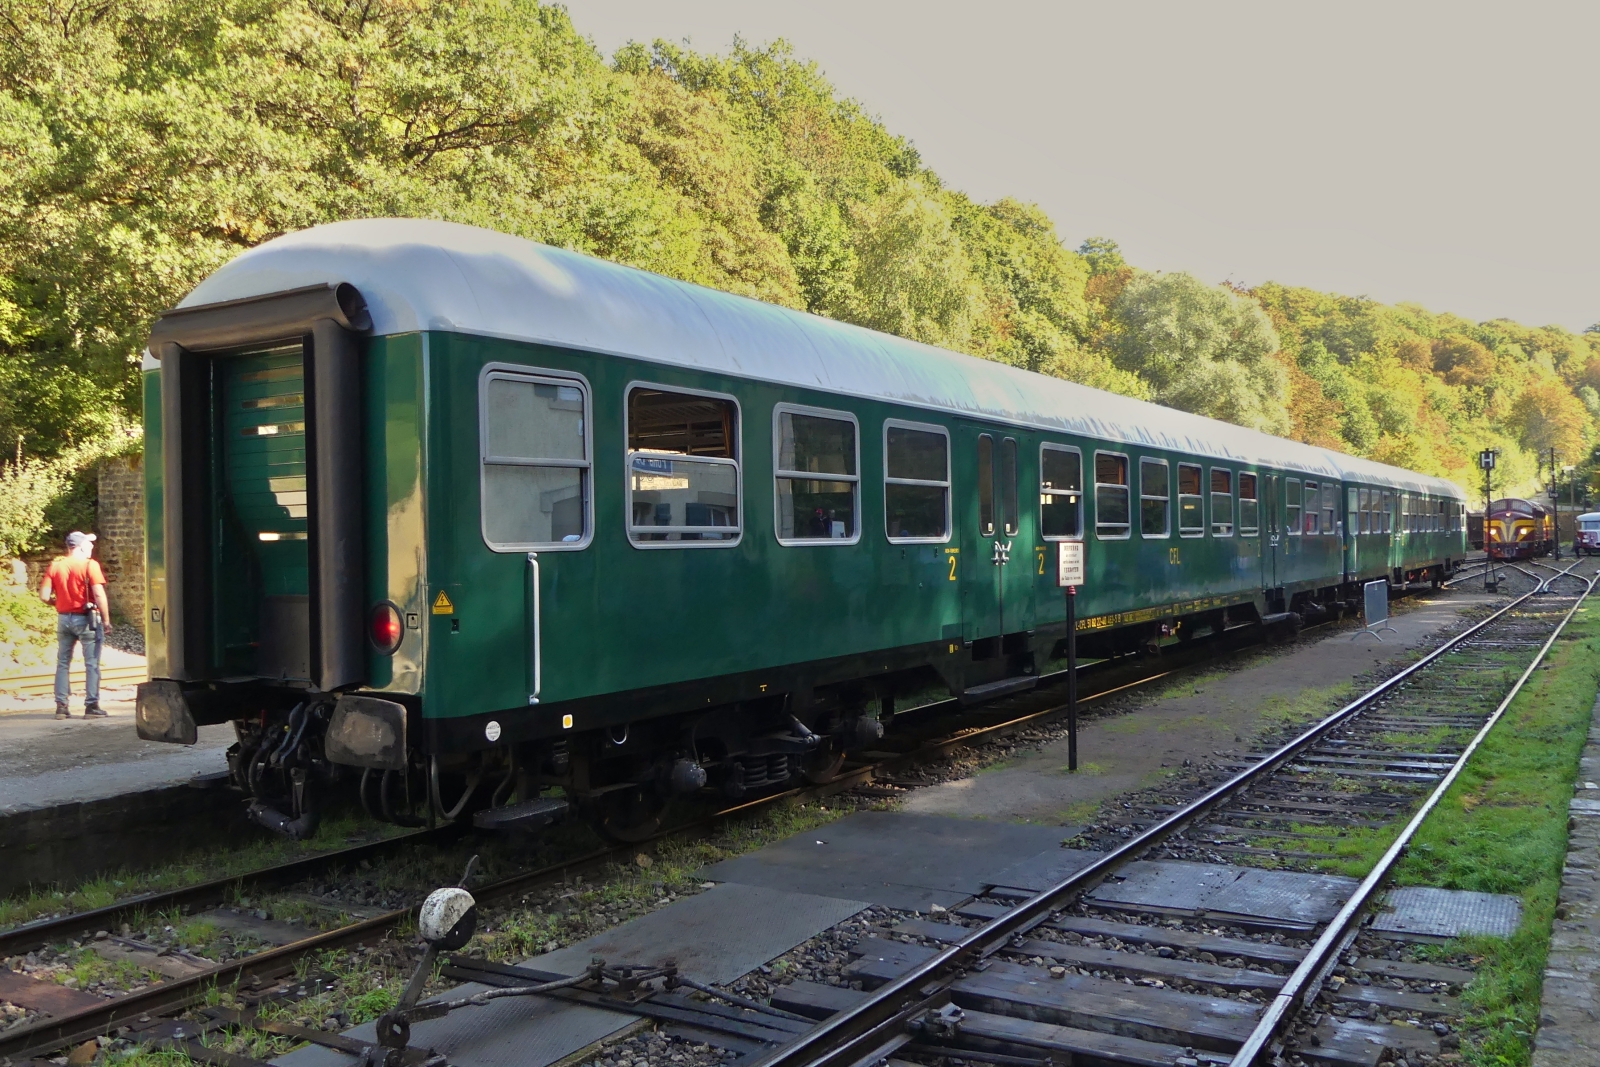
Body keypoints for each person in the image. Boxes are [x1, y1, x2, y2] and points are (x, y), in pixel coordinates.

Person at [38, 531, 112, 720]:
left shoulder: (55, 566)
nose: (92, 546)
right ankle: (91, 706)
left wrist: (59, 603)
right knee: (91, 663)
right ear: (80, 546)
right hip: (87, 619)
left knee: (63, 663)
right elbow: (99, 594)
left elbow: (44, 596)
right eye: (89, 543)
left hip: (64, 619)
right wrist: (106, 620)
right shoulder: (90, 565)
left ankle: (61, 707)